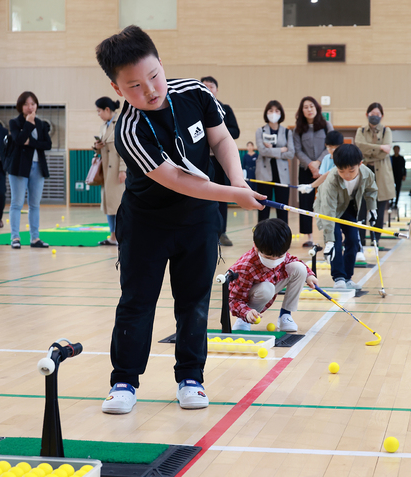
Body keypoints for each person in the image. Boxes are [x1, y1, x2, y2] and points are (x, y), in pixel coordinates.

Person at [95, 26, 265, 414]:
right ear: (118, 89)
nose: (151, 90)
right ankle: (123, 382)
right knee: (137, 302)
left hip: (199, 221)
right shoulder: (130, 130)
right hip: (147, 224)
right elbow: (179, 181)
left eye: (154, 76)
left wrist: (237, 180)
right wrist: (235, 195)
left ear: (161, 64)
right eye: (135, 86)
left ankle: (191, 378)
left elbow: (220, 140)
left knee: (194, 301)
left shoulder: (194, 93)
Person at [228, 219, 317, 333]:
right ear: (256, 246)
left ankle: (285, 316)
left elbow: (292, 259)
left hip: (271, 284)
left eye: (280, 256)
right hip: (252, 297)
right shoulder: (245, 267)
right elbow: (234, 299)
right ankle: (243, 320)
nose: (275, 260)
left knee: (299, 268)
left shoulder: (278, 250)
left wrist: (309, 275)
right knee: (267, 289)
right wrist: (245, 312)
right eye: (269, 258)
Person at [315, 144, 378, 290]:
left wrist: (372, 209)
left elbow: (371, 190)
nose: (347, 175)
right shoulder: (331, 180)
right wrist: (328, 240)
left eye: (351, 170)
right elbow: (328, 210)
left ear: (360, 164)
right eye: (342, 171)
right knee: (335, 241)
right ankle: (339, 278)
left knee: (353, 240)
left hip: (349, 207)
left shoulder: (366, 173)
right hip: (329, 210)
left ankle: (348, 277)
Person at [8, 91, 51, 249]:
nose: (30, 107)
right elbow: (19, 140)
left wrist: (30, 141)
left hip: (37, 167)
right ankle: (15, 238)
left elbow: (47, 144)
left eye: (32, 104)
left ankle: (35, 238)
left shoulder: (41, 123)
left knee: (34, 204)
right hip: (19, 167)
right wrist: (28, 124)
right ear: (20, 107)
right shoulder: (15, 122)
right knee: (17, 203)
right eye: (26, 104)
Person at [201, 76, 240, 247]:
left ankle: (222, 232)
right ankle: (203, 231)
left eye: (211, 86)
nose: (208, 89)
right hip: (200, 160)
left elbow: (235, 131)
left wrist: (216, 131)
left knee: (221, 196)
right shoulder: (193, 109)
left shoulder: (225, 109)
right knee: (200, 194)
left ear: (216, 90)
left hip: (218, 159)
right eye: (205, 86)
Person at [293, 96, 333, 247]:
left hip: (325, 169)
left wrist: (318, 162)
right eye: (305, 107)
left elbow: (332, 145)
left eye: (311, 106)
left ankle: (330, 235)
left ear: (316, 108)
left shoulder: (326, 125)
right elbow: (297, 149)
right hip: (305, 169)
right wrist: (310, 164)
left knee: (327, 201)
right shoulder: (298, 129)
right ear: (301, 111)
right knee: (305, 203)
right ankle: (309, 237)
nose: (309, 109)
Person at [354, 103, 394, 244]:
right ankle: (361, 239)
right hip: (364, 172)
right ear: (367, 114)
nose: (375, 117)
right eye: (372, 113)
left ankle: (375, 239)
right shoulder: (361, 130)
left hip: (382, 175)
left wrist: (368, 153)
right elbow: (359, 146)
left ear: (382, 116)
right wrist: (379, 148)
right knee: (361, 208)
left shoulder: (386, 131)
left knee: (378, 208)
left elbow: (386, 152)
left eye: (378, 114)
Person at [254, 100, 294, 223]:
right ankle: (261, 238)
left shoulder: (287, 132)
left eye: (277, 111)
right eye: (270, 110)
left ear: (281, 113)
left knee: (282, 209)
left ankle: (283, 238)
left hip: (282, 175)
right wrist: (281, 150)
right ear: (266, 113)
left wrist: (271, 149)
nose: (273, 113)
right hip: (263, 174)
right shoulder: (260, 131)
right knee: (263, 208)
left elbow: (291, 153)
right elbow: (262, 151)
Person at [93, 97, 126, 245]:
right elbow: (102, 150)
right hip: (106, 171)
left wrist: (123, 170)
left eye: (99, 111)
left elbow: (125, 149)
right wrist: (96, 148)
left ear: (107, 109)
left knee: (118, 205)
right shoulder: (103, 126)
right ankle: (113, 236)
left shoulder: (120, 123)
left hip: (117, 172)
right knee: (108, 205)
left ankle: (121, 236)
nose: (98, 114)